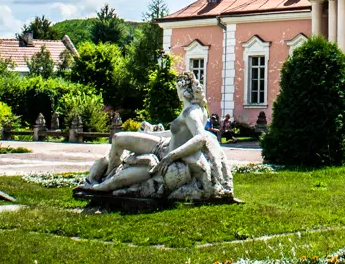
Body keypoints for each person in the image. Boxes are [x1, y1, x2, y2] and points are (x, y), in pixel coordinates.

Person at [76, 71, 232, 200]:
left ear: (182, 90)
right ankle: (110, 173)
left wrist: (171, 156)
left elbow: (199, 138)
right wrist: (153, 132)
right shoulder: (196, 109)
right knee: (117, 139)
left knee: (118, 144)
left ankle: (107, 178)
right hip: (163, 143)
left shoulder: (191, 112)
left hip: (164, 152)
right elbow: (180, 133)